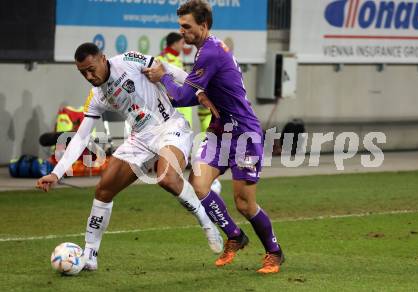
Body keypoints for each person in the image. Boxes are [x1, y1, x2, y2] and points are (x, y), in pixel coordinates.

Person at [35, 42, 223, 271]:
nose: (89, 75)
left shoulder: (128, 61)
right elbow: (81, 137)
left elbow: (167, 69)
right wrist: (56, 173)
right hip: (140, 138)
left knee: (166, 177)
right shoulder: (96, 96)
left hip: (170, 127)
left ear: (103, 59)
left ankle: (205, 221)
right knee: (104, 189)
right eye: (83, 72)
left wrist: (201, 90)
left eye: (92, 68)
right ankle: (90, 255)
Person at [145, 0, 284, 274]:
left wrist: (163, 77)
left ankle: (274, 252)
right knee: (199, 184)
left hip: (244, 133)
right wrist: (199, 92)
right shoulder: (208, 49)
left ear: (203, 25)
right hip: (221, 131)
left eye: (187, 26)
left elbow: (182, 96)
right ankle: (235, 236)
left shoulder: (210, 52)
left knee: (245, 204)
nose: (182, 31)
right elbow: (202, 89)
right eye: (180, 26)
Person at [157, 31, 221, 192]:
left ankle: (183, 164)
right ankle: (173, 166)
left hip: (183, 104)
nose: (183, 45)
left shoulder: (176, 58)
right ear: (173, 44)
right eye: (180, 42)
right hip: (174, 106)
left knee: (187, 136)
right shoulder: (163, 59)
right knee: (173, 137)